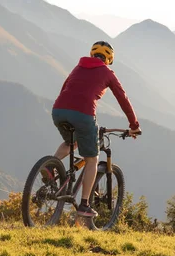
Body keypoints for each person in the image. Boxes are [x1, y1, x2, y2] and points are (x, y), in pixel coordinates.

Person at [50, 41, 141, 217]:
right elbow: (123, 98)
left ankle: (50, 167)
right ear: (108, 59)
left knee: (71, 141)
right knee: (92, 158)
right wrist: (134, 126)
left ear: (92, 55)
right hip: (83, 114)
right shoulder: (107, 72)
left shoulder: (78, 67)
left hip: (58, 110)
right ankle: (84, 205)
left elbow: (64, 88)